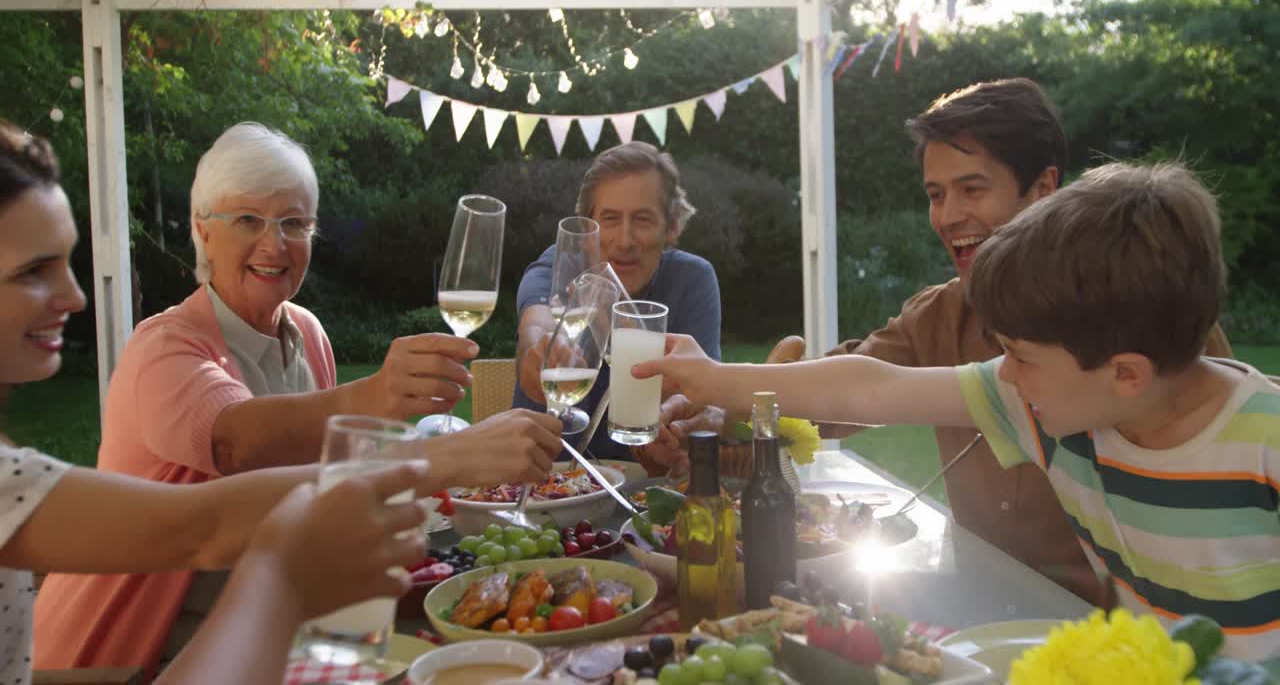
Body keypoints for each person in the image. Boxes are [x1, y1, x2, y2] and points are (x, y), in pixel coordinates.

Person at [638, 162, 1280, 669]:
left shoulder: (1264, 439)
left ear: (1127, 373)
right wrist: (719, 379)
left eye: (1020, 355)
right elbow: (872, 388)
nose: (1002, 372)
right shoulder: (1044, 402)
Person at [34, 122, 564, 671]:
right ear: (203, 230)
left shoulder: (307, 333)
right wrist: (399, 413)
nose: (274, 243)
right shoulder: (162, 347)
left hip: (261, 632)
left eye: (293, 222)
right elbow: (238, 443)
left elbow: (324, 482)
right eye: (247, 219)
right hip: (131, 656)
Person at [819, 78, 1230, 606]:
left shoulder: (1147, 318)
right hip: (978, 619)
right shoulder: (937, 315)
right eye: (936, 195)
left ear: (1043, 189)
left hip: (1119, 642)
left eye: (972, 189)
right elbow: (840, 394)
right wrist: (722, 415)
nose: (946, 217)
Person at [512, 141, 723, 474]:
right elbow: (535, 326)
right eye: (610, 219)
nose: (625, 240)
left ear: (671, 227)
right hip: (546, 485)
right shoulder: (559, 269)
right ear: (586, 230)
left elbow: (706, 396)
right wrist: (538, 351)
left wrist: (687, 428)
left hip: (646, 493)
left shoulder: (691, 280)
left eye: (642, 219)